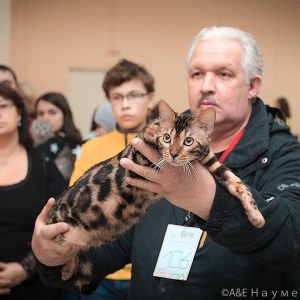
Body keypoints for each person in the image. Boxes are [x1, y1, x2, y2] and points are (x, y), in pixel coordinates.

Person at [31, 27, 300, 299]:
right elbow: (115, 242)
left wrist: (207, 198)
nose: (206, 85)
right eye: (197, 73)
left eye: (224, 74)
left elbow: (291, 239)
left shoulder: (283, 152)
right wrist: (54, 257)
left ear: (253, 85)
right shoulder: (156, 144)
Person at [68, 59, 155, 300]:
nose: (125, 105)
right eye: (117, 97)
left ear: (150, 98)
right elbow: (77, 207)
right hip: (100, 269)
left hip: (148, 268)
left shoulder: (166, 149)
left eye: (134, 95)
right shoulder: (92, 148)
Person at [0, 84, 60, 299]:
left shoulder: (43, 163)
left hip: (36, 283)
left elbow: (60, 222)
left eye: (3, 106)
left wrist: (25, 269)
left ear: (19, 113)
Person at [34, 92, 83, 197]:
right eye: (40, 113)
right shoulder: (32, 145)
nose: (46, 118)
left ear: (64, 114)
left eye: (52, 112)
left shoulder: (77, 144)